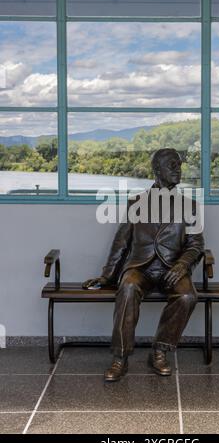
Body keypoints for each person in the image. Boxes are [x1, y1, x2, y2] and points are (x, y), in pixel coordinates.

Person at [83, 148, 205, 382]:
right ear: (157, 170)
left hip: (172, 269)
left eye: (179, 165)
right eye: (172, 165)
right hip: (141, 268)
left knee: (188, 296)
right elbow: (121, 242)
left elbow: (196, 243)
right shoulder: (136, 203)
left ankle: (159, 351)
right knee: (128, 288)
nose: (178, 169)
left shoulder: (190, 206)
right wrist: (107, 276)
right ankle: (120, 358)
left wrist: (182, 264)